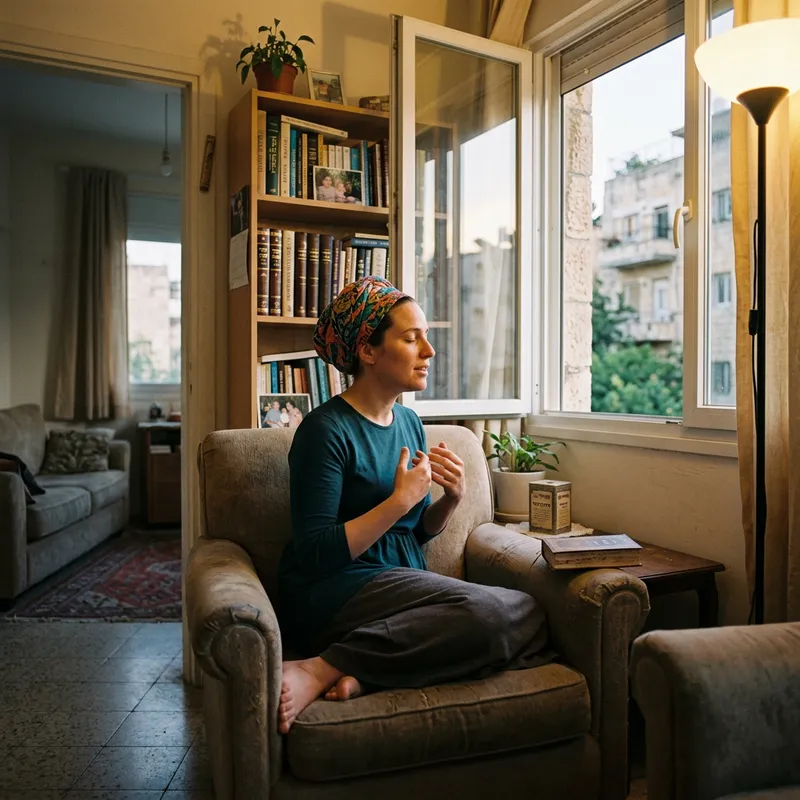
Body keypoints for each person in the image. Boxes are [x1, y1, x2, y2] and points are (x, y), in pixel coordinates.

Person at [276, 277, 550, 734]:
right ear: (368, 350)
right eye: (411, 338)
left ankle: (365, 672)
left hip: (400, 579)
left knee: (529, 611)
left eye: (426, 336)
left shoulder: (408, 422)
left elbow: (414, 531)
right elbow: (315, 552)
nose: (429, 350)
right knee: (490, 616)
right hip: (336, 589)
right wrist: (398, 499)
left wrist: (451, 500)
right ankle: (319, 667)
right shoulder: (324, 431)